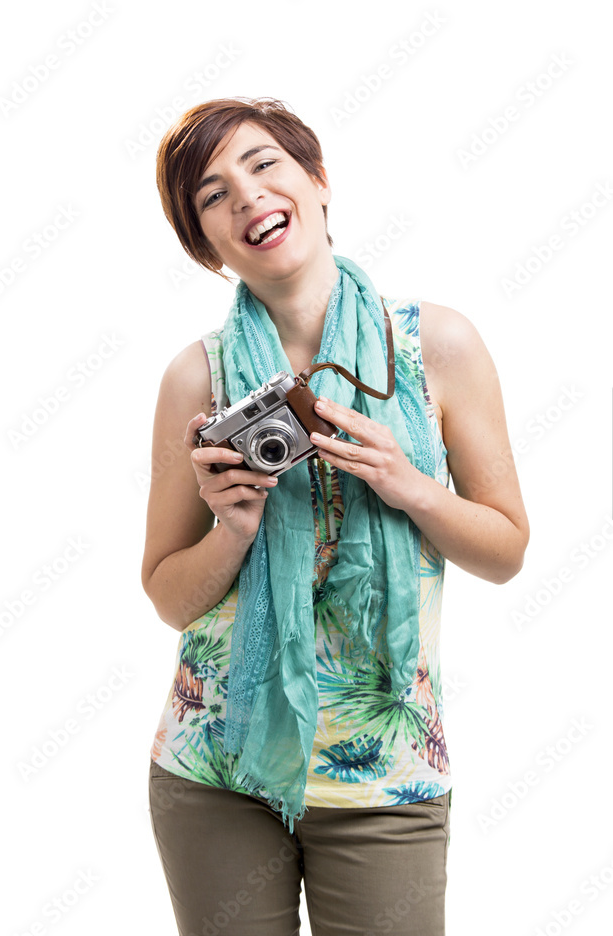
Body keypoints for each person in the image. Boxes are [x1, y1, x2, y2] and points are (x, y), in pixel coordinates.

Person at [142, 96, 529, 936]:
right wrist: (234, 527)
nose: (244, 196)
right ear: (204, 244)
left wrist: (410, 484)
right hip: (218, 768)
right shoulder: (195, 378)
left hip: (386, 772)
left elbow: (505, 552)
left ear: (316, 182)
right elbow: (169, 595)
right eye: (211, 195)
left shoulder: (438, 347)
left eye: (263, 164)